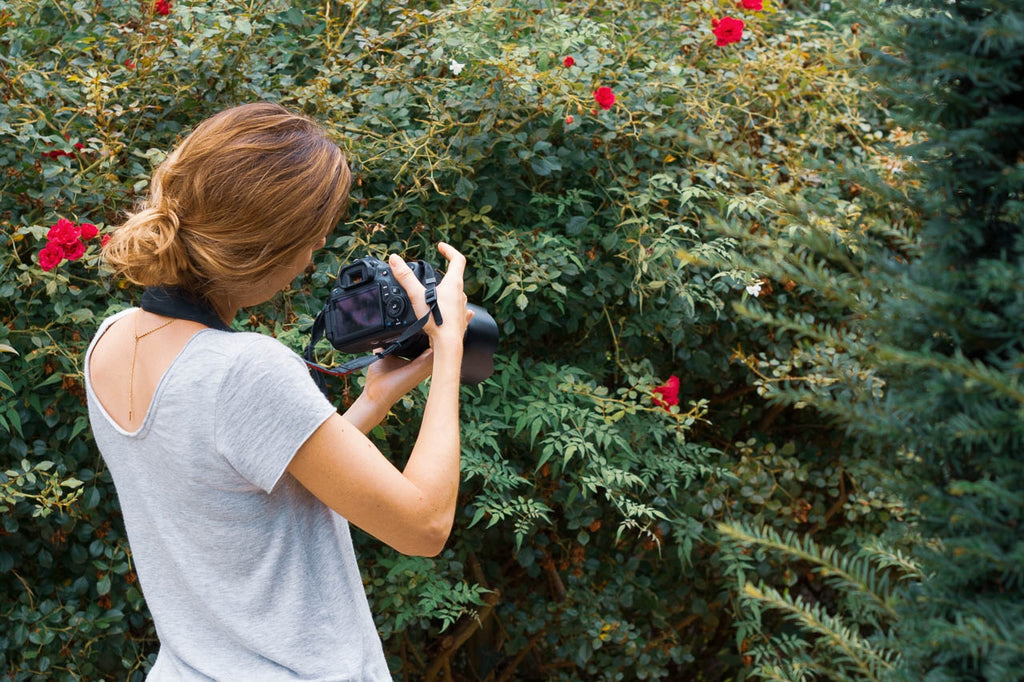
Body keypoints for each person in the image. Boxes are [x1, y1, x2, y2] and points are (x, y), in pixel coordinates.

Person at [84, 102, 470, 680]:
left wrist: (372, 401)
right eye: (313, 237)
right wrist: (449, 351)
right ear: (268, 246)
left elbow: (240, 483)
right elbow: (424, 527)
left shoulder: (110, 342)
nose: (315, 252)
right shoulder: (244, 370)